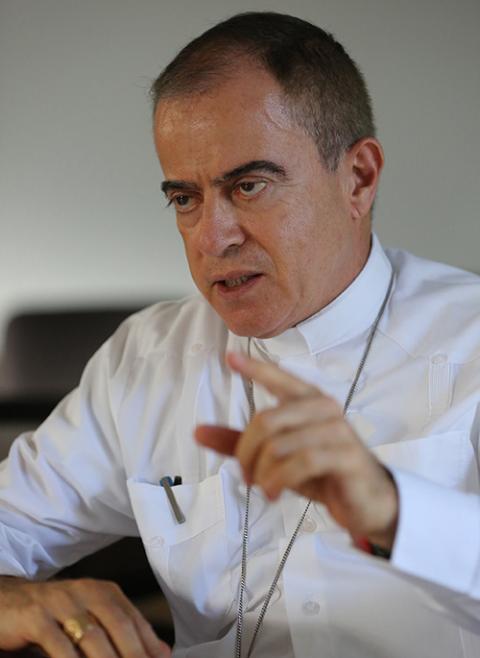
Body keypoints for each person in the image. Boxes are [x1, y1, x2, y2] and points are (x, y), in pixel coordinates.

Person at [1, 10, 480, 658]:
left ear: (359, 178)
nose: (211, 238)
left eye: (248, 185)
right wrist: (14, 599)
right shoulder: (145, 359)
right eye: (185, 199)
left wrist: (396, 514)